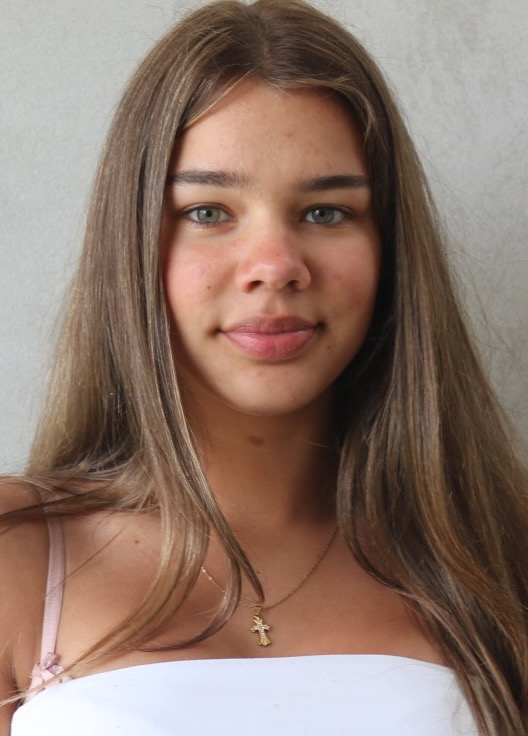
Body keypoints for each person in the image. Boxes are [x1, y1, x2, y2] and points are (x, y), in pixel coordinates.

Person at [0, 0, 526, 733]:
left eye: (325, 212)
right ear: (133, 244)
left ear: (390, 252)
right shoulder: (16, 555)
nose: (275, 266)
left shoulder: (501, 552)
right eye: (208, 212)